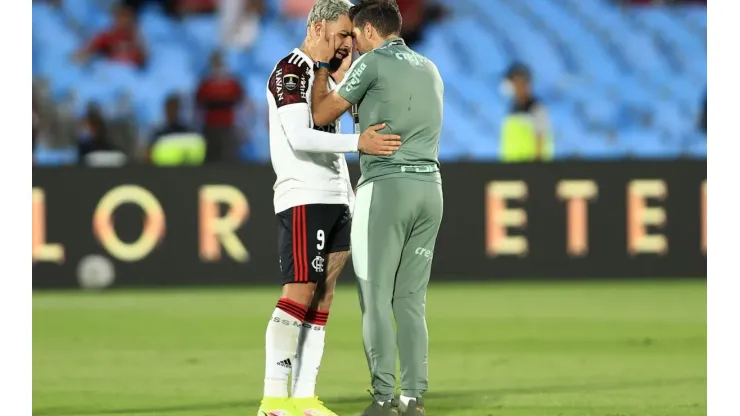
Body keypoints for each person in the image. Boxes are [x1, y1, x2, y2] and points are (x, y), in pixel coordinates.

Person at [259, 1, 402, 415]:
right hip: (305, 194)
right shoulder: (291, 70)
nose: (346, 43)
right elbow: (301, 136)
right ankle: (272, 400)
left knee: (323, 298)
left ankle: (303, 399)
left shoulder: (324, 74)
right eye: (341, 34)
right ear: (318, 28)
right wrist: (358, 143)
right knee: (300, 291)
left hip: (338, 195)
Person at [307, 1, 443, 414]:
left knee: (376, 296)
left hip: (386, 188)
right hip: (430, 189)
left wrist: (319, 67)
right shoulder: (428, 67)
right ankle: (413, 397)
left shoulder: (374, 62)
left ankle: (383, 398)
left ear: (368, 30)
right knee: (411, 300)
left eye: (353, 33)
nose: (351, 40)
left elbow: (319, 114)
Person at [195, 50, 247, 163]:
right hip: (210, 129)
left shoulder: (233, 84)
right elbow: (198, 108)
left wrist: (241, 128)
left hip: (228, 129)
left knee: (228, 159)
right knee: (211, 160)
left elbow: (242, 107)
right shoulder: (205, 85)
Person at [498, 62, 554, 162]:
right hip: (512, 172)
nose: (510, 86)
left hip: (531, 172)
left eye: (513, 82)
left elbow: (540, 139)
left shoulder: (537, 109)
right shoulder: (512, 110)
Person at [75, 3, 146, 68]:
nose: (123, 20)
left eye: (127, 17)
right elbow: (89, 49)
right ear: (115, 18)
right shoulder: (108, 36)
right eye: (120, 16)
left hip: (131, 75)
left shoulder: (137, 38)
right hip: (111, 72)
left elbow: (143, 60)